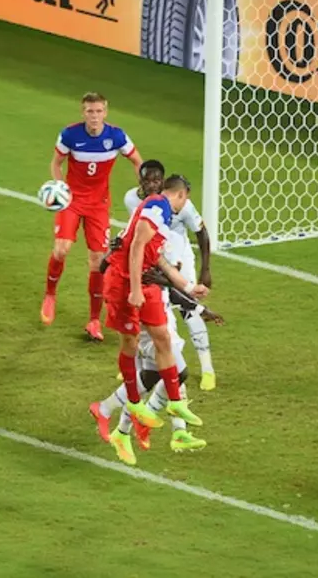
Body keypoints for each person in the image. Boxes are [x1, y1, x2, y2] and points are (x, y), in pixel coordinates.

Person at [102, 175, 209, 464]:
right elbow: (136, 246)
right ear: (182, 196)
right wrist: (136, 289)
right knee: (130, 344)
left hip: (144, 287)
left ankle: (174, 405)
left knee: (163, 340)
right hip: (124, 283)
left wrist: (189, 288)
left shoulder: (159, 216)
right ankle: (130, 408)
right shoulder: (159, 207)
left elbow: (157, 259)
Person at [90, 267, 222, 464]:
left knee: (151, 378)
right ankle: (124, 415)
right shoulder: (136, 261)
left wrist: (200, 309)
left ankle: (124, 424)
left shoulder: (153, 260)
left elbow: (172, 293)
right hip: (150, 335)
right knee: (178, 373)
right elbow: (106, 266)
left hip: (164, 330)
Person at [40, 92, 143, 341]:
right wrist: (60, 187)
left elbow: (138, 162)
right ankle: (50, 294)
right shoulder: (70, 135)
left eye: (98, 111)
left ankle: (94, 320)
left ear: (105, 113)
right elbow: (56, 163)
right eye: (89, 111)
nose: (94, 116)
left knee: (98, 261)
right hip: (72, 202)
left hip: (99, 205)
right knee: (61, 249)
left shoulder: (117, 136)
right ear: (82, 112)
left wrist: (145, 187)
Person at [124, 165, 216, 390]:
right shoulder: (132, 200)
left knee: (189, 308)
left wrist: (206, 269)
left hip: (178, 262)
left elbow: (201, 232)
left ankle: (207, 369)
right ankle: (143, 367)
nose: (152, 184)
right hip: (153, 261)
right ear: (140, 181)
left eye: (157, 181)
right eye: (148, 180)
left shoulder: (180, 203)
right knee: (145, 316)